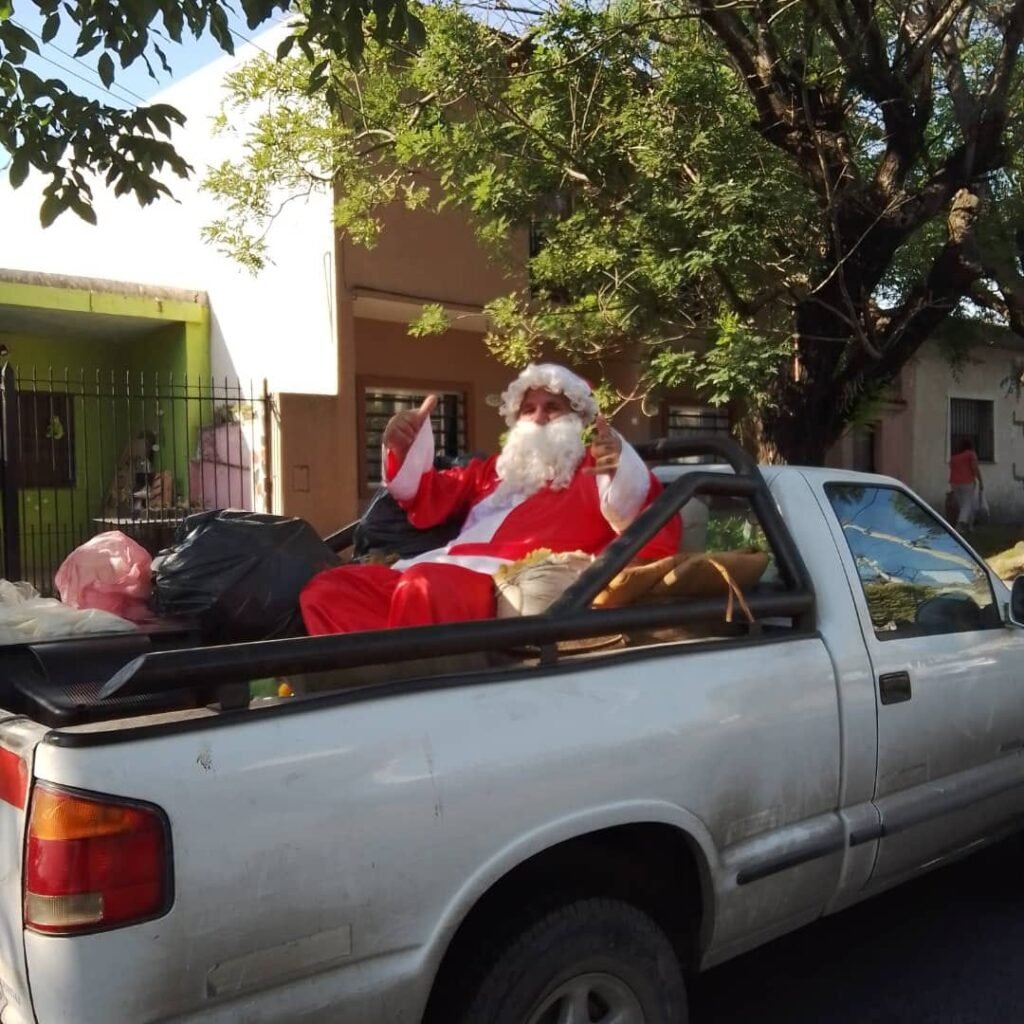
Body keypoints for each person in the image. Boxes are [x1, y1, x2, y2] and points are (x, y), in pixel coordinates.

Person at [300, 363, 681, 635]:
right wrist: (403, 446)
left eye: (553, 408)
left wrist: (619, 463)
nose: (539, 417)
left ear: (577, 418)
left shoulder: (601, 468)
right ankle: (354, 686)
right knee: (329, 589)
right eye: (529, 409)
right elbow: (425, 496)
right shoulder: (493, 470)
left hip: (504, 583)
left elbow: (649, 523)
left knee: (425, 586)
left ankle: (406, 701)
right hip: (441, 566)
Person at [948, 435, 984, 530]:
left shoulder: (954, 457)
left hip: (954, 483)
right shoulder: (971, 454)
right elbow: (975, 468)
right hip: (967, 482)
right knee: (967, 504)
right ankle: (960, 524)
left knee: (963, 505)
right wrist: (980, 481)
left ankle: (968, 526)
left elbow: (952, 469)